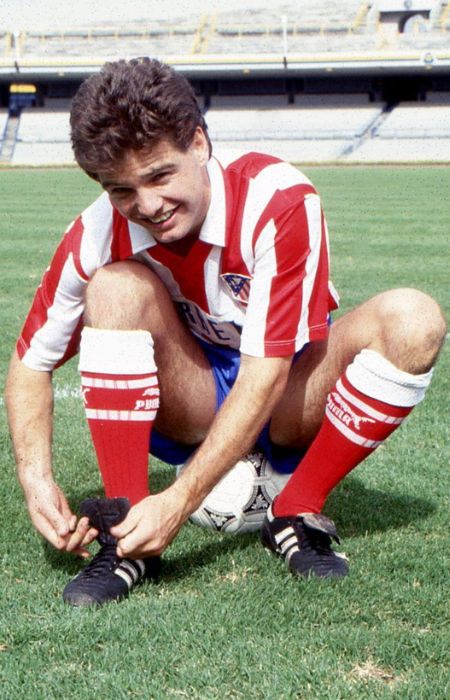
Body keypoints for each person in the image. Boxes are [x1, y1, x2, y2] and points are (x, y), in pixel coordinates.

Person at [5, 58, 446, 608]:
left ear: (199, 144)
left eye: (161, 175)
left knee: (414, 318)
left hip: (287, 392)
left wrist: (181, 501)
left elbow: (266, 372)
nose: (148, 206)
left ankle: (296, 507)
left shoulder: (278, 200)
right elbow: (30, 363)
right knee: (114, 288)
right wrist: (36, 481)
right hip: (195, 397)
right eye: (122, 190)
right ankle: (128, 536)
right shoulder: (97, 229)